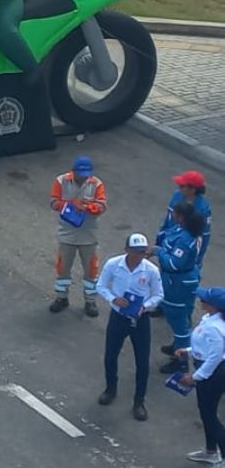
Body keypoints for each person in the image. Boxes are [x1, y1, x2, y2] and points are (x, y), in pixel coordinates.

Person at [97, 233, 162, 421]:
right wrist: (113, 299)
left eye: (142, 252)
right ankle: (111, 389)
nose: (138, 256)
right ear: (126, 250)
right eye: (135, 252)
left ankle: (139, 401)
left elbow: (159, 295)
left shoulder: (151, 270)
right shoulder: (113, 264)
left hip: (141, 320)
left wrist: (145, 307)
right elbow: (101, 286)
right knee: (110, 355)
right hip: (118, 316)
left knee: (142, 362)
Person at [50, 155, 107, 316]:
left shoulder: (96, 184)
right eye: (80, 173)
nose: (83, 177)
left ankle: (90, 301)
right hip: (66, 233)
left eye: (86, 174)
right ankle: (61, 297)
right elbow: (53, 203)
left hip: (88, 235)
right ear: (73, 171)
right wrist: (69, 205)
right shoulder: (61, 181)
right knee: (63, 268)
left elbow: (103, 206)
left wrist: (89, 207)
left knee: (91, 270)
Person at [176, 286, 225, 464]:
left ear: (213, 306)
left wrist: (195, 377)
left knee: (209, 416)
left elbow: (215, 356)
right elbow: (204, 346)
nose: (201, 301)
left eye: (205, 300)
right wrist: (189, 351)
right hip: (209, 368)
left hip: (213, 373)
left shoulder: (214, 327)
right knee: (206, 412)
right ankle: (211, 451)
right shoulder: (210, 319)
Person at [156, 201, 207, 373]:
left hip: (177, 283)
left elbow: (173, 264)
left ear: (182, 217)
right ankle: (178, 344)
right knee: (182, 317)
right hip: (182, 280)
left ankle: (181, 360)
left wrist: (157, 251)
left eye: (175, 213)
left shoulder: (186, 240)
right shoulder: (182, 230)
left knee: (179, 321)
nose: (172, 215)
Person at [160, 170, 212, 266]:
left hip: (185, 250)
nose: (179, 188)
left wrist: (198, 261)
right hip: (169, 243)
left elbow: (204, 237)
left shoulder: (203, 209)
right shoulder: (177, 195)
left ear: (193, 189)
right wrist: (159, 242)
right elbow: (167, 221)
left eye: (182, 186)